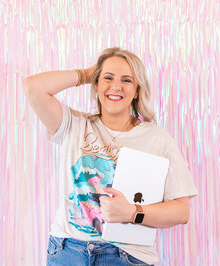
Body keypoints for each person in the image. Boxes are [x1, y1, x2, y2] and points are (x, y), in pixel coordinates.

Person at [23, 47, 198, 265]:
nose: (116, 86)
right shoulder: (73, 125)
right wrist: (85, 75)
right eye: (107, 78)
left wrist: (133, 212)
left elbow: (181, 211)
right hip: (67, 251)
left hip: (126, 257)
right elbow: (33, 87)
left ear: (136, 91)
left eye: (126, 80)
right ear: (96, 85)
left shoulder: (157, 138)